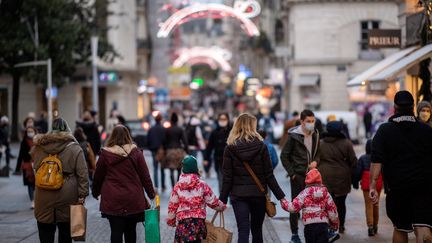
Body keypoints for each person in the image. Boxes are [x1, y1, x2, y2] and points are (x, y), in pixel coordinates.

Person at [370, 90, 432, 243]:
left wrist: (373, 185)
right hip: (424, 187)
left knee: (400, 227)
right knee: (423, 227)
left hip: (397, 188)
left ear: (395, 107)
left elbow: (376, 160)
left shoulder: (385, 130)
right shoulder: (426, 130)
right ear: (413, 107)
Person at [220, 113, 287, 243]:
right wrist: (281, 197)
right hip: (258, 194)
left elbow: (227, 177)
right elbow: (269, 175)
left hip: (238, 196)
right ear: (252, 126)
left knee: (243, 230)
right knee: (257, 230)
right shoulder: (262, 146)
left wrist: (222, 200)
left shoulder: (229, 148)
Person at [92, 125, 156, 243]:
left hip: (113, 199)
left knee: (115, 231)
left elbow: (98, 177)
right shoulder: (136, 153)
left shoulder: (105, 154)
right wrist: (151, 194)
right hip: (133, 199)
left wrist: (95, 192)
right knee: (131, 231)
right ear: (128, 136)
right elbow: (145, 177)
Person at [31, 118, 89, 243]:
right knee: (65, 232)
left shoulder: (39, 147)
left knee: (45, 229)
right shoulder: (74, 148)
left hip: (43, 193)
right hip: (67, 194)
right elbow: (83, 173)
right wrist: (82, 195)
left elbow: (35, 167)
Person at [280, 109, 320, 243]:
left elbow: (318, 153)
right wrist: (292, 174)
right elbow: (284, 156)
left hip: (312, 176)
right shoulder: (294, 136)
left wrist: (316, 161)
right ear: (302, 121)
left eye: (313, 121)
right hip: (298, 176)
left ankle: (310, 232)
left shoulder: (315, 134)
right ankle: (295, 234)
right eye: (308, 121)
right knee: (295, 206)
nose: (311, 124)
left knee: (312, 205)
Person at [167, 155, 226, 243]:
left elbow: (173, 205)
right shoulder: (202, 184)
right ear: (195, 168)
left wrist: (171, 220)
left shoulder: (178, 186)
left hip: (183, 223)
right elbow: (212, 201)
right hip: (198, 224)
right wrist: (221, 206)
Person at [317, 121, 357, 234]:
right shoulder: (347, 143)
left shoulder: (321, 143)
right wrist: (353, 176)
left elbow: (316, 160)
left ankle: (329, 224)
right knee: (341, 203)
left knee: (327, 203)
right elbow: (353, 161)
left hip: (325, 176)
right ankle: (341, 225)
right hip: (342, 177)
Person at [281, 169, 339, 243]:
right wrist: (334, 224)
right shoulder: (325, 193)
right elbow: (332, 211)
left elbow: (293, 207)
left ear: (307, 180)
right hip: (323, 226)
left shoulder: (304, 193)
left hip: (309, 227)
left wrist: (283, 201)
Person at [353, 139, 383, 236]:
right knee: (376, 204)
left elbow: (358, 172)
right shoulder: (380, 157)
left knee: (368, 205)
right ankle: (375, 225)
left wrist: (355, 182)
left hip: (366, 183)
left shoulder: (363, 158)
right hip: (378, 182)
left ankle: (370, 226)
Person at [203, 113, 231, 187]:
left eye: (224, 119)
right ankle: (222, 197)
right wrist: (206, 158)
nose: (222, 121)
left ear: (228, 120)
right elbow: (209, 146)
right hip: (218, 160)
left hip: (230, 160)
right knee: (220, 179)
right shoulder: (214, 132)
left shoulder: (232, 132)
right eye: (221, 119)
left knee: (229, 180)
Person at [163, 112, 188, 188]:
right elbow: (185, 141)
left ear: (171, 120)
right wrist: (186, 150)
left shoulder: (167, 130)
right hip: (179, 151)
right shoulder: (180, 129)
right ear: (177, 120)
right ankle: (178, 185)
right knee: (178, 169)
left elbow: (164, 141)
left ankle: (173, 186)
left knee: (171, 170)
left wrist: (165, 150)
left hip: (170, 151)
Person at [18, 126, 37, 208]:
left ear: (35, 132)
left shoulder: (38, 141)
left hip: (37, 164)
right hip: (27, 165)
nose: (30, 133)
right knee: (30, 184)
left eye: (31, 131)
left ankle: (36, 200)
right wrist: (17, 168)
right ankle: (32, 201)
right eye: (28, 131)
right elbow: (20, 155)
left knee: (37, 184)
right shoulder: (23, 142)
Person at [147, 112, 166, 191]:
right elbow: (165, 139)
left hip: (154, 150)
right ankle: (163, 186)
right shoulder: (163, 129)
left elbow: (148, 139)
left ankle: (156, 186)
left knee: (155, 168)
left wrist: (150, 147)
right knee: (162, 168)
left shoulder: (151, 129)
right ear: (161, 119)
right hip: (161, 150)